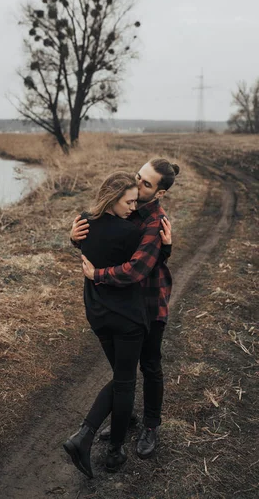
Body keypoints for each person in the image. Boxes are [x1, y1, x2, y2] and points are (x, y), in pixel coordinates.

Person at [63, 171, 172, 478]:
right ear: (114, 199)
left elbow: (88, 244)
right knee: (124, 381)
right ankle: (108, 450)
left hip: (98, 313)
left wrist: (75, 240)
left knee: (125, 375)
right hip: (128, 317)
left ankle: (128, 430)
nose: (133, 202)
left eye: (142, 190)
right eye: (129, 199)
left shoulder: (85, 221)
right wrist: (166, 248)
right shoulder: (132, 232)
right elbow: (143, 266)